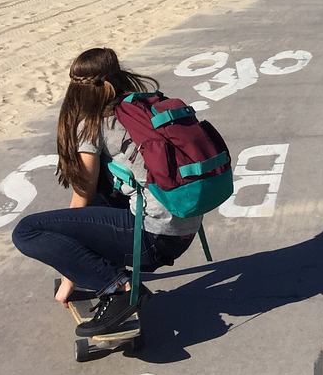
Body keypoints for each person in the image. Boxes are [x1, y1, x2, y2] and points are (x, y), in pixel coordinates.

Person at [13, 48, 200, 337]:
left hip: (154, 238)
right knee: (104, 191)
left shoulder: (93, 122)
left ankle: (119, 288)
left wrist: (70, 274)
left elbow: (81, 198)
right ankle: (108, 277)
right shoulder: (143, 107)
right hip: (183, 226)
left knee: (27, 232)